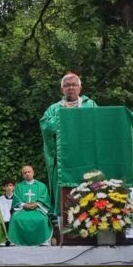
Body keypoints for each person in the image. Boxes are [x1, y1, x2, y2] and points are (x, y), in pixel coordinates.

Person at [39, 72, 98, 212]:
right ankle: (61, 221)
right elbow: (46, 128)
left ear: (80, 88)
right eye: (67, 85)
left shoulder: (90, 105)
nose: (71, 88)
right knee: (64, 199)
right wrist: (63, 114)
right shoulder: (55, 108)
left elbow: (98, 124)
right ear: (62, 89)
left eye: (74, 85)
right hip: (63, 160)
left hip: (86, 157)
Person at [8, 165, 53, 246]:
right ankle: (16, 241)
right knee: (15, 218)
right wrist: (24, 205)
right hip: (23, 209)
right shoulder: (19, 187)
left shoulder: (41, 186)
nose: (27, 174)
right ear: (22, 175)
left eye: (29, 172)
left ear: (33, 173)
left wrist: (36, 204)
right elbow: (16, 199)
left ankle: (43, 241)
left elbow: (44, 198)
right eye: (25, 173)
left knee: (42, 219)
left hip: (37, 209)